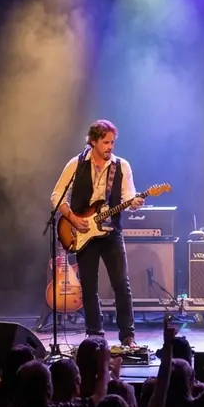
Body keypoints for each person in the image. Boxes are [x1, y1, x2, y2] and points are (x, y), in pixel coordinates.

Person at [50, 119, 143, 346]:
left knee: (121, 284)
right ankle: (95, 336)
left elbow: (128, 196)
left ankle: (128, 336)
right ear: (93, 142)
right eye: (106, 142)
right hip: (82, 233)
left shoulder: (121, 166)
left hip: (111, 233)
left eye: (112, 142)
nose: (110, 147)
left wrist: (133, 203)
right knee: (89, 287)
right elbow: (56, 196)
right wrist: (73, 219)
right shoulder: (77, 164)